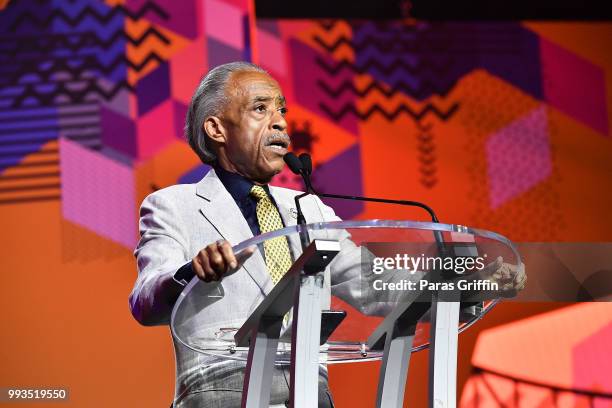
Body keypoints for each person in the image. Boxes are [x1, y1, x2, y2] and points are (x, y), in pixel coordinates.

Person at [129, 62, 526, 408]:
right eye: (260, 108)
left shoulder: (309, 209)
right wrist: (191, 274)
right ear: (216, 128)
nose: (281, 121)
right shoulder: (173, 205)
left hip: (310, 394)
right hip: (221, 393)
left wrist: (460, 281)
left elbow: (374, 285)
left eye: (281, 109)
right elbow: (146, 299)